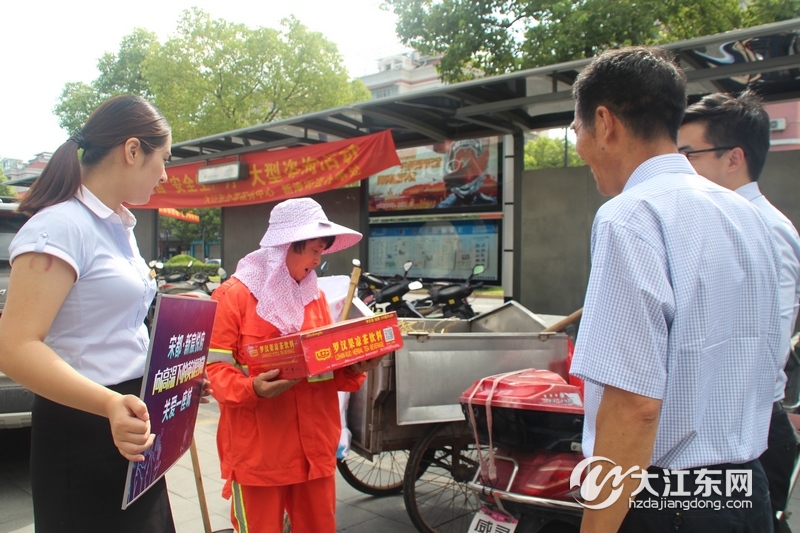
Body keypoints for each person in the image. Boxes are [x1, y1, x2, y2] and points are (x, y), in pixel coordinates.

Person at [568, 47, 782, 532]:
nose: (579, 143)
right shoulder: (747, 216)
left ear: (605, 123)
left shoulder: (631, 216)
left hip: (669, 504)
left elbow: (635, 405)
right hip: (747, 495)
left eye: (576, 129)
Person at [0, 95, 177, 532]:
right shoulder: (59, 227)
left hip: (130, 417)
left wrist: (175, 378)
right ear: (133, 150)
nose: (166, 174)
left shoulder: (118, 227)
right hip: (86, 423)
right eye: (164, 159)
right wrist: (109, 404)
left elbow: (120, 330)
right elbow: (14, 347)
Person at [206, 197, 381, 533]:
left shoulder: (313, 296)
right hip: (260, 453)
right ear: (284, 246)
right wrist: (252, 387)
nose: (318, 260)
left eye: (322, 250)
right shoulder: (233, 297)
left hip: (314, 449)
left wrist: (356, 366)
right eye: (313, 250)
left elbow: (324, 366)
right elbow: (213, 371)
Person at [679, 90, 800, 532]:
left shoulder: (766, 228)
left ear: (734, 159)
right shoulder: (717, 221)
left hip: (749, 432)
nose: (679, 167)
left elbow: (765, 348)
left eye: (689, 154)